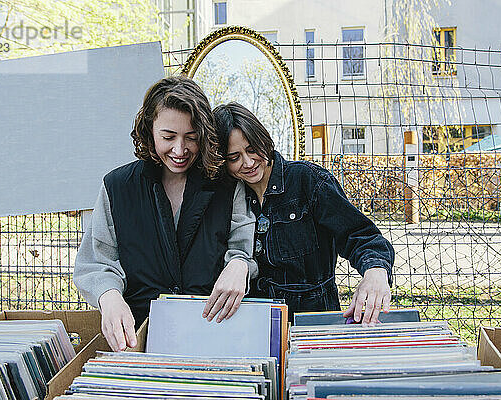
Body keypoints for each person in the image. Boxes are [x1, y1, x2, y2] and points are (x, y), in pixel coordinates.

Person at [74, 77, 257, 352]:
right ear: (149, 131)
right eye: (168, 137)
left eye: (191, 137)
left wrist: (239, 265)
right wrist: (108, 297)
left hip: (214, 335)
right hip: (138, 339)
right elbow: (96, 262)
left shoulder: (228, 186)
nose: (180, 150)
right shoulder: (116, 187)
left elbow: (244, 248)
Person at [213, 102, 394, 324]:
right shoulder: (231, 198)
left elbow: (361, 236)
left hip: (313, 323)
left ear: (264, 140)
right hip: (255, 326)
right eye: (234, 158)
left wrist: (375, 271)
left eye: (252, 149)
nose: (248, 163)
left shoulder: (308, 181)